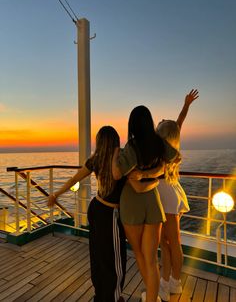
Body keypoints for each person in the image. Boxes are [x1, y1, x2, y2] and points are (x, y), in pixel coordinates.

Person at [48, 125, 159, 302]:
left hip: (95, 208)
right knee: (115, 259)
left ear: (99, 142)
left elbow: (74, 178)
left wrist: (56, 194)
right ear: (116, 141)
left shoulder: (96, 159)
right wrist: (156, 182)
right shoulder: (123, 161)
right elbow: (139, 187)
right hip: (109, 215)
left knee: (98, 256)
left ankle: (101, 295)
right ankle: (112, 298)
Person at [112, 106, 178, 302]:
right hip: (152, 201)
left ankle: (151, 296)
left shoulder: (132, 147)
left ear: (132, 124)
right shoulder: (159, 144)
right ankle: (152, 298)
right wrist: (153, 173)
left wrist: (115, 154)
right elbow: (174, 158)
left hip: (132, 202)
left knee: (140, 254)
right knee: (151, 259)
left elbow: (117, 174)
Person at [156, 89, 199, 301]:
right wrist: (186, 106)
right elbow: (178, 125)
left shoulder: (160, 150)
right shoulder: (170, 148)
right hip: (170, 193)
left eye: (160, 123)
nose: (160, 120)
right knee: (167, 243)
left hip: (166, 197)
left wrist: (186, 106)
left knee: (171, 243)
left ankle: (175, 283)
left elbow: (176, 125)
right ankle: (168, 282)